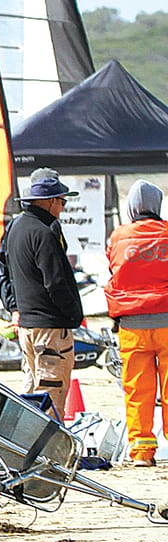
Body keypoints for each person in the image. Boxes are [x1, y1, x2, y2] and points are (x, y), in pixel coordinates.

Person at [2, 171, 85, 419]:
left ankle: (26, 450)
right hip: (49, 327)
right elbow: (56, 282)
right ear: (49, 201)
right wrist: (73, 315)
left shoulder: (16, 227)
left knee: (32, 392)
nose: (63, 207)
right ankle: (49, 455)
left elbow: (5, 271)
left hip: (28, 324)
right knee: (52, 394)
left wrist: (14, 306)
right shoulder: (44, 232)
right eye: (62, 201)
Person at [105, 180, 168, 465]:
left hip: (132, 325)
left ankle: (142, 452)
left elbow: (114, 271)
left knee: (137, 389)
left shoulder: (119, 237)